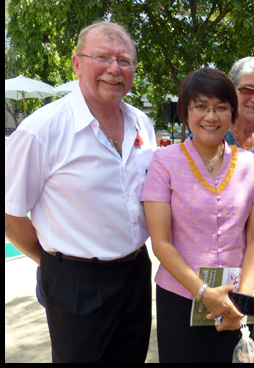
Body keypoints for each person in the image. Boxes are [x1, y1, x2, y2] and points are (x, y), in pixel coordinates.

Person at [5, 21, 156, 363]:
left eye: (124, 60)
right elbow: (9, 214)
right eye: (101, 57)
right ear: (76, 63)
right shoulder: (41, 131)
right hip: (76, 281)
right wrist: (54, 266)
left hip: (135, 272)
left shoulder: (141, 124)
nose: (114, 69)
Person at [141, 68, 254, 363]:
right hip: (181, 297)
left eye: (221, 108)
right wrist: (203, 292)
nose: (211, 117)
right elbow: (161, 243)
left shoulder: (252, 165)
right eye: (200, 106)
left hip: (239, 299)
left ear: (233, 114)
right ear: (186, 112)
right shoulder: (164, 162)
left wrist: (241, 299)